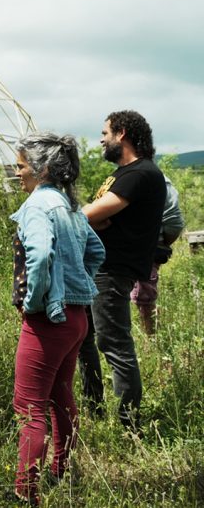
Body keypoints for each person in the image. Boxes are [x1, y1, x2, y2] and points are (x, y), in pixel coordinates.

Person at [10, 133, 105, 506]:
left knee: (29, 407)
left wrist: (34, 301)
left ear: (42, 168)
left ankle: (25, 491)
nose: (17, 173)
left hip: (48, 320)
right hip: (77, 318)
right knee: (60, 395)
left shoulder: (37, 206)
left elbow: (40, 256)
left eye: (21, 166)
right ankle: (60, 469)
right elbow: (96, 250)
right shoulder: (69, 205)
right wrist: (77, 285)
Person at [78, 110, 165, 429]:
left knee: (113, 343)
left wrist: (91, 217)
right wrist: (92, 218)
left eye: (105, 133)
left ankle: (130, 426)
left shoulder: (140, 173)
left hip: (112, 270)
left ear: (122, 133)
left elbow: (86, 216)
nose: (101, 139)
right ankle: (94, 407)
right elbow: (91, 217)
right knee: (82, 337)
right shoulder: (122, 174)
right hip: (96, 268)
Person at [129, 175, 184, 335]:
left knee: (144, 298)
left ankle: (151, 340)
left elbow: (174, 223)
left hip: (146, 251)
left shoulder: (156, 180)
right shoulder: (127, 177)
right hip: (128, 252)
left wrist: (158, 244)